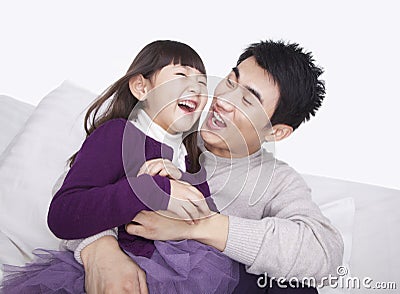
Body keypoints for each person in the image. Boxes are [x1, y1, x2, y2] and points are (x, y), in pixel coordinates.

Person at [78, 40, 344, 293]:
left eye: (248, 100)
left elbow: (323, 251)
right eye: (230, 81)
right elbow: (75, 186)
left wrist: (198, 226)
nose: (224, 100)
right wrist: (100, 249)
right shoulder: (170, 127)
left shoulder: (277, 180)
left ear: (275, 133)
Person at [0, 40, 239, 294]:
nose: (196, 89)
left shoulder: (188, 159)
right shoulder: (119, 134)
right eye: (181, 76)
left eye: (202, 84)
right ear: (141, 87)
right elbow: (63, 212)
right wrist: (147, 188)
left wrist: (181, 178)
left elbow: (207, 220)